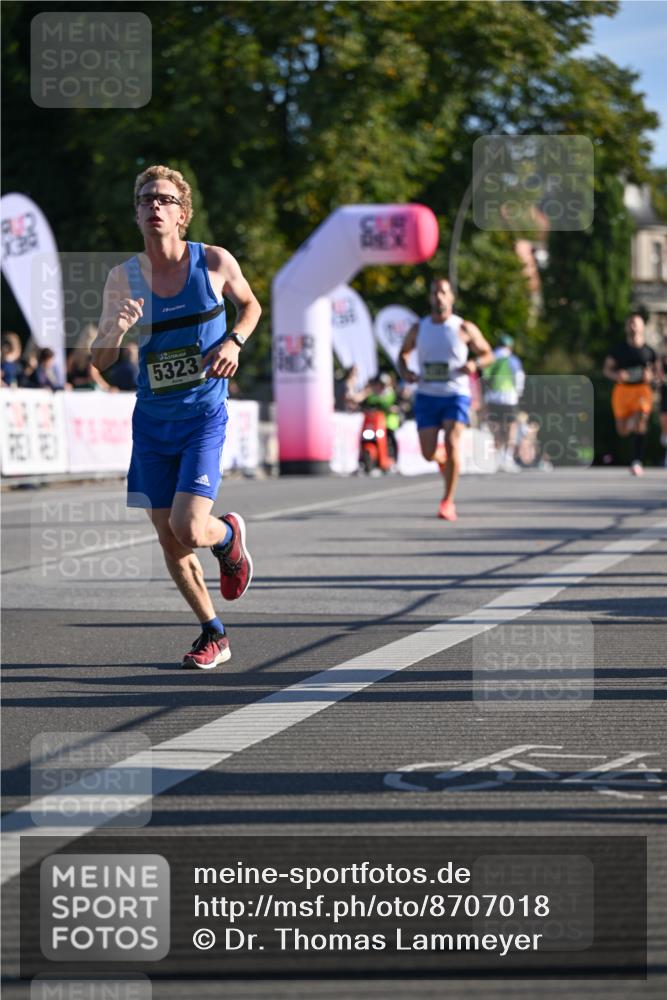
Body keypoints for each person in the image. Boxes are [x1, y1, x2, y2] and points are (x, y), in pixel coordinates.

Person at [92, 164, 261, 669]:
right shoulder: (122, 278)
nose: (154, 206)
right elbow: (99, 363)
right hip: (151, 423)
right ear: (137, 213)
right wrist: (115, 333)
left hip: (202, 415)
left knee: (190, 527)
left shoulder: (212, 261)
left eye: (164, 199)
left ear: (182, 214)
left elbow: (251, 306)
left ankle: (227, 536)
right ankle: (214, 632)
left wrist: (234, 340)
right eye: (145, 200)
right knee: (168, 537)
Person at [398, 278, 494, 520]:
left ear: (451, 297)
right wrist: (406, 371)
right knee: (428, 454)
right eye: (435, 293)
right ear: (430, 298)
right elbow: (403, 354)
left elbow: (488, 353)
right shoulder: (419, 328)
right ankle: (441, 459)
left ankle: (447, 501)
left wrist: (475, 363)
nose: (439, 297)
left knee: (453, 442)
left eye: (443, 292)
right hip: (427, 395)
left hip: (456, 394)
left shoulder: (463, 327)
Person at [603, 310, 658, 476]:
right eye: (631, 322)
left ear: (642, 326)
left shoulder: (649, 351)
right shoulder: (619, 350)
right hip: (623, 391)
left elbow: (657, 373)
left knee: (642, 416)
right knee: (622, 431)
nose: (633, 325)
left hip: (641, 389)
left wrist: (652, 376)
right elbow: (606, 369)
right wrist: (616, 375)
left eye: (636, 322)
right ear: (627, 327)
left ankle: (637, 461)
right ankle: (632, 421)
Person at [482, 333, 525, 472]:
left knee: (496, 428)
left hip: (492, 397)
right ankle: (508, 458)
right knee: (511, 427)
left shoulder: (491, 357)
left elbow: (484, 377)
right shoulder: (512, 360)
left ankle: (497, 458)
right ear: (510, 346)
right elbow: (519, 377)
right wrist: (519, 394)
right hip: (509, 397)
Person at [69, 324, 116, 391]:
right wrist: (108, 387)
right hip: (88, 390)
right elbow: (94, 375)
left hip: (75, 388)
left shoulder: (74, 354)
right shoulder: (91, 357)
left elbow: (69, 372)